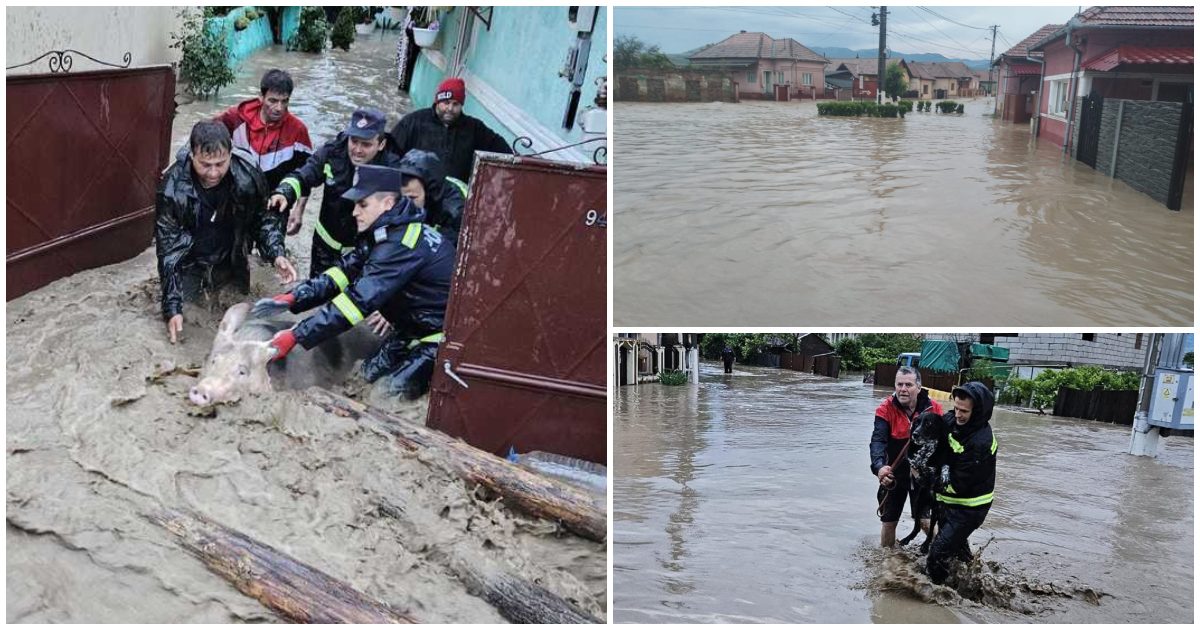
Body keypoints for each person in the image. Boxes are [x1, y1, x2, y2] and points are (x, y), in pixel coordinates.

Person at [252, 164, 454, 399]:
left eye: (363, 204)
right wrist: (293, 298)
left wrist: (297, 335)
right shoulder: (385, 232)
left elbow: (355, 304)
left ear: (388, 203)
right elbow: (341, 273)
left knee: (384, 396)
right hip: (410, 331)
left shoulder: (400, 245)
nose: (355, 212)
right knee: (362, 379)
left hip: (439, 340)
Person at [155, 121, 296, 344]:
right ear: (192, 156)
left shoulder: (248, 176)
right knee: (187, 315)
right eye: (205, 165)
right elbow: (168, 252)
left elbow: (263, 220)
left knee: (238, 310)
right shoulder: (172, 190)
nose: (213, 173)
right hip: (190, 259)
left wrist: (276, 253)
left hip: (231, 255)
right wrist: (172, 307)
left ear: (231, 155)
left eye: (220, 164)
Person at [269, 107, 403, 278]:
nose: (357, 150)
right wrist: (284, 192)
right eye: (354, 141)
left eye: (366, 144)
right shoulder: (333, 151)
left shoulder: (392, 170)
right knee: (316, 289)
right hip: (325, 246)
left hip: (364, 253)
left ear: (381, 145)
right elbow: (305, 174)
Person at [216, 69, 314, 234]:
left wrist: (299, 211)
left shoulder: (298, 131)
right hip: (239, 198)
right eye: (273, 101)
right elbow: (205, 138)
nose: (279, 108)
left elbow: (307, 174)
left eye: (284, 101)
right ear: (261, 97)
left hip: (276, 201)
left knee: (273, 247)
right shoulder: (236, 118)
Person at [927, 382, 997, 585]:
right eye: (956, 408)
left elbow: (957, 485)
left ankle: (937, 596)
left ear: (977, 412)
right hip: (949, 502)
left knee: (936, 555)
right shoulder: (952, 420)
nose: (957, 414)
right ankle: (972, 581)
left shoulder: (980, 443)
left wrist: (927, 479)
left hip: (969, 509)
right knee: (957, 552)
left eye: (964, 411)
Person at [388, 76, 513, 183]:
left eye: (455, 104)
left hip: (455, 195)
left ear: (461, 105)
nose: (450, 109)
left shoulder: (475, 128)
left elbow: (504, 152)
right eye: (446, 103)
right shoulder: (413, 121)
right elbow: (390, 152)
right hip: (418, 192)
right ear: (437, 102)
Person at [870, 366, 944, 547]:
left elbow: (944, 443)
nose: (903, 389)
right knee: (889, 522)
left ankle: (942, 553)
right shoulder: (885, 409)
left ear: (919, 387)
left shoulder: (934, 408)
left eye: (908, 385)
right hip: (894, 475)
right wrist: (879, 467)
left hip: (922, 477)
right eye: (899, 384)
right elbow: (878, 441)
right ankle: (888, 561)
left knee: (926, 522)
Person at [396, 149, 467, 245]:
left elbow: (447, 247)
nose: (406, 203)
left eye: (412, 198)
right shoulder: (419, 191)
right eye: (402, 197)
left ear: (429, 193)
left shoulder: (455, 212)